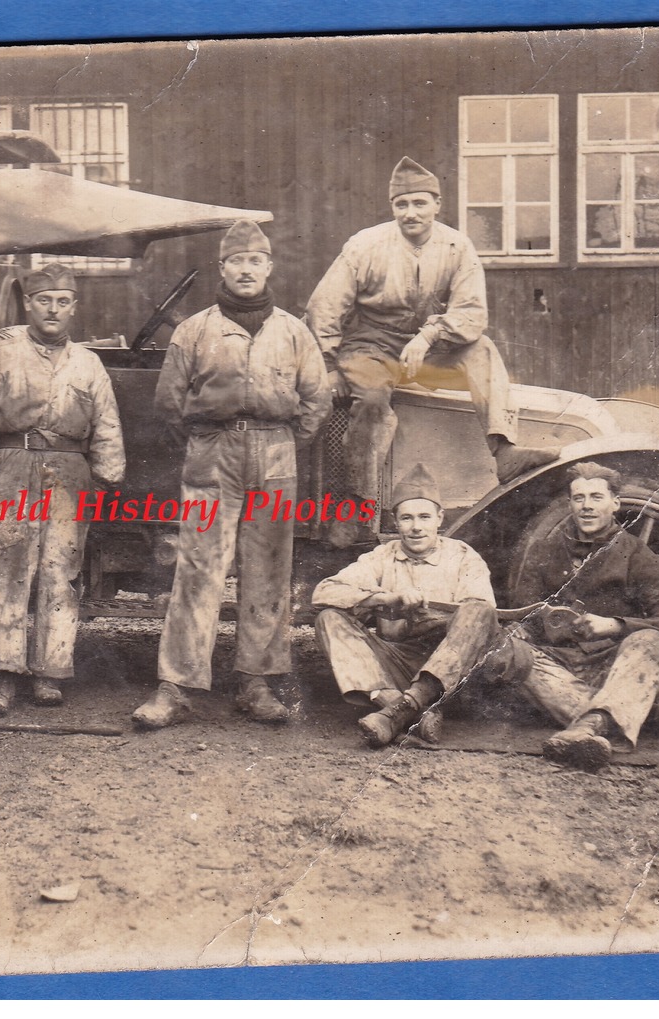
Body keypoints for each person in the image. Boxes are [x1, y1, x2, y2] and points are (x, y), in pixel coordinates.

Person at [131, 220, 330, 730]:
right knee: (198, 569)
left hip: (275, 453)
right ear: (223, 268)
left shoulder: (292, 330)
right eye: (236, 261)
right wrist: (209, 441)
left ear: (269, 268)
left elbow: (315, 402)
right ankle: (176, 685)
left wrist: (279, 441)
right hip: (213, 453)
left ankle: (255, 683)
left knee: (268, 572)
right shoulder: (195, 329)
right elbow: (169, 403)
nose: (246, 270)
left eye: (255, 261)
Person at [305, 157, 558, 544]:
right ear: (392, 208)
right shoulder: (365, 245)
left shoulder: (457, 246)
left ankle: (504, 451)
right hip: (371, 346)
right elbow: (324, 307)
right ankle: (359, 508)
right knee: (371, 402)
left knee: (482, 349)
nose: (411, 213)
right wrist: (329, 365)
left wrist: (429, 336)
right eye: (401, 204)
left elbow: (472, 314)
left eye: (420, 203)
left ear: (437, 204)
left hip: (428, 345)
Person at [0, 264, 125, 716]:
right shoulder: (1, 356)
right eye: (44, 300)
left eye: (62, 301)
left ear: (74, 307)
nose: (53, 309)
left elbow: (106, 424)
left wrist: (107, 475)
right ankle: (3, 674)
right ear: (29, 305)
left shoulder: (88, 363)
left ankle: (50, 673)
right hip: (11, 467)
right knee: (6, 572)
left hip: (69, 472)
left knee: (60, 574)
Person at [495, 462, 659, 770]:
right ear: (570, 502)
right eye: (579, 498)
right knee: (505, 650)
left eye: (596, 497)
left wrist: (614, 626)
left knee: (650, 640)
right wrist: (521, 626)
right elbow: (525, 611)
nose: (586, 506)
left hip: (612, 667)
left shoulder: (639, 556)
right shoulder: (543, 550)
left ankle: (588, 726)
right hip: (557, 668)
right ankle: (636, 714)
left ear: (615, 503)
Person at [309, 463, 504, 748]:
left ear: (440, 518)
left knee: (478, 611)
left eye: (424, 517)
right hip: (398, 664)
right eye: (407, 518)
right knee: (328, 618)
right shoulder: (382, 556)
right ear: (395, 522)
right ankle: (404, 708)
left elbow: (481, 615)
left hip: (451, 670)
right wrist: (386, 598)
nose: (416, 527)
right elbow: (323, 591)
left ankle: (402, 711)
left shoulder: (462, 556)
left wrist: (423, 616)